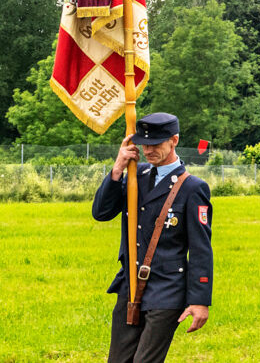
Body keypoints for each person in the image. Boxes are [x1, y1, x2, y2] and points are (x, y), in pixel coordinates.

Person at [95, 113, 212, 363]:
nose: (148, 150)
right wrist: (117, 169)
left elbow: (200, 248)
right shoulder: (135, 175)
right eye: (144, 144)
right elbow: (101, 213)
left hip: (167, 289)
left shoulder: (192, 188)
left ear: (174, 140)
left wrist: (200, 300)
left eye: (155, 144)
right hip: (130, 286)